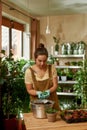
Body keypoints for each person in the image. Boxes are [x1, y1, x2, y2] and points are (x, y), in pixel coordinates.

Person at [24, 43, 60, 110]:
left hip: (52, 104)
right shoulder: (29, 72)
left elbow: (55, 85)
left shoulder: (52, 68)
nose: (42, 63)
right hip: (37, 105)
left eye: (44, 61)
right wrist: (38, 93)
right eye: (39, 61)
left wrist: (48, 92)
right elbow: (29, 90)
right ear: (35, 59)